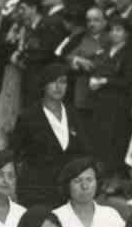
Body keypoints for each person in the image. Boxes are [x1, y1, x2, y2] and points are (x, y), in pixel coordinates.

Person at [11, 65, 86, 210]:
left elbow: (83, 150)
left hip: (67, 192)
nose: (58, 87)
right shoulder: (29, 117)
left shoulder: (73, 114)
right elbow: (15, 154)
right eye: (53, 82)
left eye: (63, 82)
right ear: (44, 84)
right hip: (37, 192)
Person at [52, 156, 126, 227]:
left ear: (97, 183)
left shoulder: (110, 215)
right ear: (67, 185)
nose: (85, 186)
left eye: (89, 180)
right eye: (77, 181)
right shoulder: (55, 218)